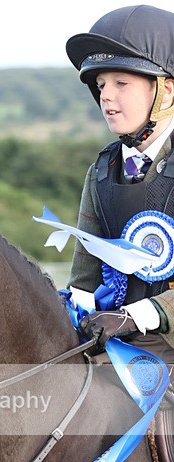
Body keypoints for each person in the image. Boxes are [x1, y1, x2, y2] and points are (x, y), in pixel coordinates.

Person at [65, 4, 174, 364]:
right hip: (119, 348)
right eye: (101, 85)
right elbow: (83, 280)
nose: (106, 97)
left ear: (167, 93)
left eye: (121, 84)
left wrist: (133, 316)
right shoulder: (102, 170)